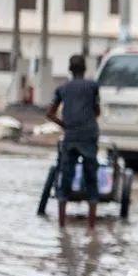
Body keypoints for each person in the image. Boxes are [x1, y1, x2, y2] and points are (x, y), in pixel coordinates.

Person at [46, 54, 102, 229]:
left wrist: (65, 125)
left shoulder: (62, 89)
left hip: (70, 136)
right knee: (91, 177)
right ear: (85, 69)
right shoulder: (93, 86)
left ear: (69, 70)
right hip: (88, 135)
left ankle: (62, 226)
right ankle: (91, 227)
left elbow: (49, 113)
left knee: (66, 177)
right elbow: (97, 110)